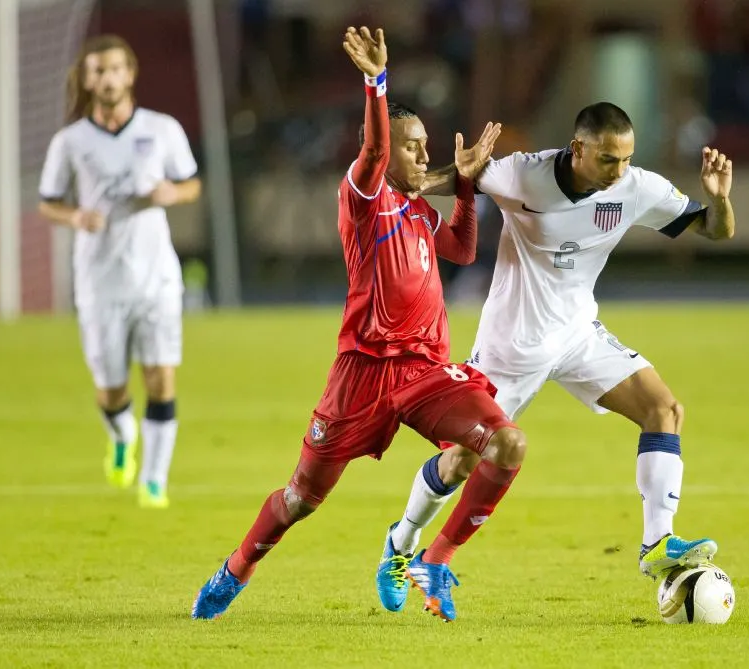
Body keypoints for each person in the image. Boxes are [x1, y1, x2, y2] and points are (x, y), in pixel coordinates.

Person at [190, 26, 525, 623]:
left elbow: (463, 250)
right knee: (300, 500)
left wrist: (466, 186)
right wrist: (376, 81)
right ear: (384, 149)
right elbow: (371, 153)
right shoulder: (363, 198)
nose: (424, 155)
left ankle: (413, 551)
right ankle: (237, 567)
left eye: (427, 145)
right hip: (362, 374)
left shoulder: (417, 204)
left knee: (500, 444)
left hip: (424, 369)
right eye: (413, 145)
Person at [376, 102, 736, 612]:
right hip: (511, 346)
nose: (620, 171)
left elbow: (715, 230)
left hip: (577, 334)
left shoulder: (636, 188)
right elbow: (422, 186)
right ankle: (401, 545)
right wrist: (453, 171)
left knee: (664, 410)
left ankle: (657, 543)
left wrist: (719, 200)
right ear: (579, 149)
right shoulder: (523, 175)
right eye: (609, 160)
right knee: (463, 460)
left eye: (627, 159)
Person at [38, 35, 202, 509]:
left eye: (114, 69)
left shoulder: (161, 129)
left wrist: (173, 193)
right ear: (87, 80)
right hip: (99, 281)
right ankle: (121, 434)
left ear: (129, 73)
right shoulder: (70, 142)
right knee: (110, 390)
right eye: (97, 71)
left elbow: (191, 183)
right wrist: (76, 217)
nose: (106, 78)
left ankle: (154, 480)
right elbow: (49, 203)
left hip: (156, 279)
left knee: (160, 380)